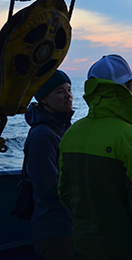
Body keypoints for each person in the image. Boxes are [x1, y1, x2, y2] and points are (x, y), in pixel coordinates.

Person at [58, 54, 132, 260]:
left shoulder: (71, 134)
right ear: (126, 89)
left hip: (84, 246)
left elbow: (65, 194)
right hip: (126, 250)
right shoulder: (128, 137)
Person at [25, 69, 75, 260]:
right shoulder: (43, 135)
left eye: (69, 89)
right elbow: (47, 188)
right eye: (60, 92)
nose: (68, 96)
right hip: (55, 230)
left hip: (70, 224)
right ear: (44, 99)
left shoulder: (61, 128)